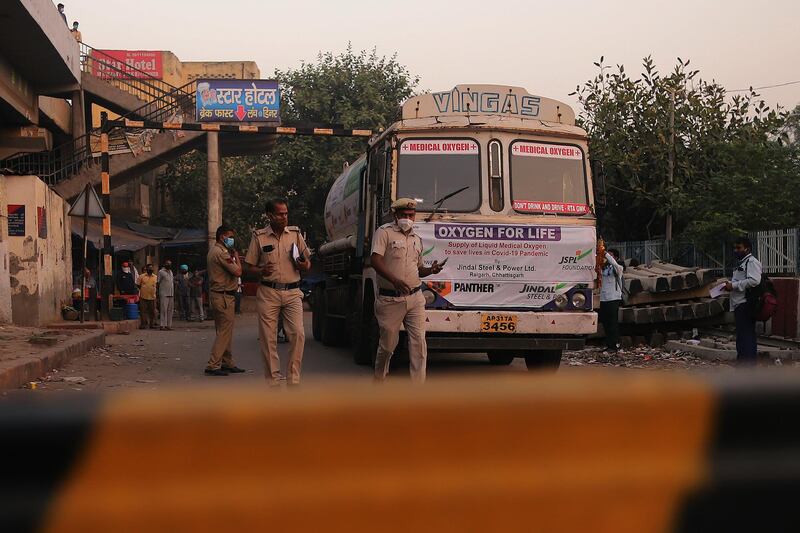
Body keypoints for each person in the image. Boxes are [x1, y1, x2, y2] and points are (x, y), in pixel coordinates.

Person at [370, 198, 444, 383]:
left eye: (411, 215)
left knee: (419, 343)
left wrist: (431, 270)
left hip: (415, 298)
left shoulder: (416, 239)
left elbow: (419, 268)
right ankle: (379, 378)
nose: (408, 218)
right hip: (390, 300)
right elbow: (375, 260)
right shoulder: (384, 233)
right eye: (404, 215)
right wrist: (394, 280)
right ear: (396, 215)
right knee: (387, 346)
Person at [245, 199, 311, 386]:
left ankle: (293, 378)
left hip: (293, 292)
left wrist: (303, 264)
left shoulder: (296, 234)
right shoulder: (259, 237)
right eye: (280, 214)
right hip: (268, 292)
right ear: (270, 215)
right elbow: (248, 266)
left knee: (298, 334)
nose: (284, 217)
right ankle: (273, 380)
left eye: (286, 213)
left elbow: (308, 263)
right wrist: (260, 271)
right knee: (268, 338)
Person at [204, 224, 245, 376]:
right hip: (223, 296)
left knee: (224, 331)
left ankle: (227, 362)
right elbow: (238, 271)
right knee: (224, 332)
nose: (232, 240)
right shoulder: (222, 253)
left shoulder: (214, 251)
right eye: (230, 237)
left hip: (219, 295)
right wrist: (237, 258)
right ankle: (213, 364)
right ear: (222, 237)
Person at [724, 237, 762, 365]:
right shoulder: (743, 263)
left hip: (745, 304)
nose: (736, 250)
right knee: (742, 337)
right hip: (739, 304)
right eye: (735, 248)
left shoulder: (751, 262)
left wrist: (733, 286)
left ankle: (747, 367)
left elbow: (754, 280)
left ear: (747, 249)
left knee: (746, 338)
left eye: (739, 248)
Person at [599, 247, 624, 352]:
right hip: (604, 298)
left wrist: (605, 254)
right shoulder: (603, 268)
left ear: (616, 257)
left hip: (613, 298)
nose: (608, 257)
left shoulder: (618, 268)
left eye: (611, 255)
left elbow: (613, 262)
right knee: (605, 323)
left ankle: (614, 345)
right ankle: (609, 345)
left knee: (612, 323)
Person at [136, 264, 158, 329]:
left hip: (152, 297)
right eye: (149, 268)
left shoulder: (155, 277)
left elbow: (157, 286)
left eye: (151, 268)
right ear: (147, 269)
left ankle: (152, 324)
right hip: (143, 296)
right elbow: (138, 285)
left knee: (152, 311)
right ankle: (143, 324)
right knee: (143, 311)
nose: (150, 269)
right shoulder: (141, 276)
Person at [157, 260, 175, 331]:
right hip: (164, 293)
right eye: (167, 264)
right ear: (164, 264)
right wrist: (157, 293)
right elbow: (158, 282)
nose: (169, 265)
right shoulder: (161, 272)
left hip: (171, 293)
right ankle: (162, 325)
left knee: (170, 310)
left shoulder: (171, 271)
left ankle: (169, 325)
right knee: (163, 309)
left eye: (170, 264)